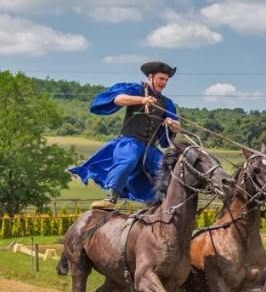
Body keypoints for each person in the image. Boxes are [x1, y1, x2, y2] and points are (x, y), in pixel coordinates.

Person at [69, 61, 182, 210]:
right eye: (161, 79)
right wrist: (142, 100)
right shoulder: (135, 89)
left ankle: (163, 206)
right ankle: (110, 198)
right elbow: (118, 99)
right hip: (130, 142)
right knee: (128, 160)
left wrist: (173, 126)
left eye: (166, 80)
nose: (164, 83)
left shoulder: (166, 103)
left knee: (170, 170)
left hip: (150, 149)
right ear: (150, 77)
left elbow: (175, 127)